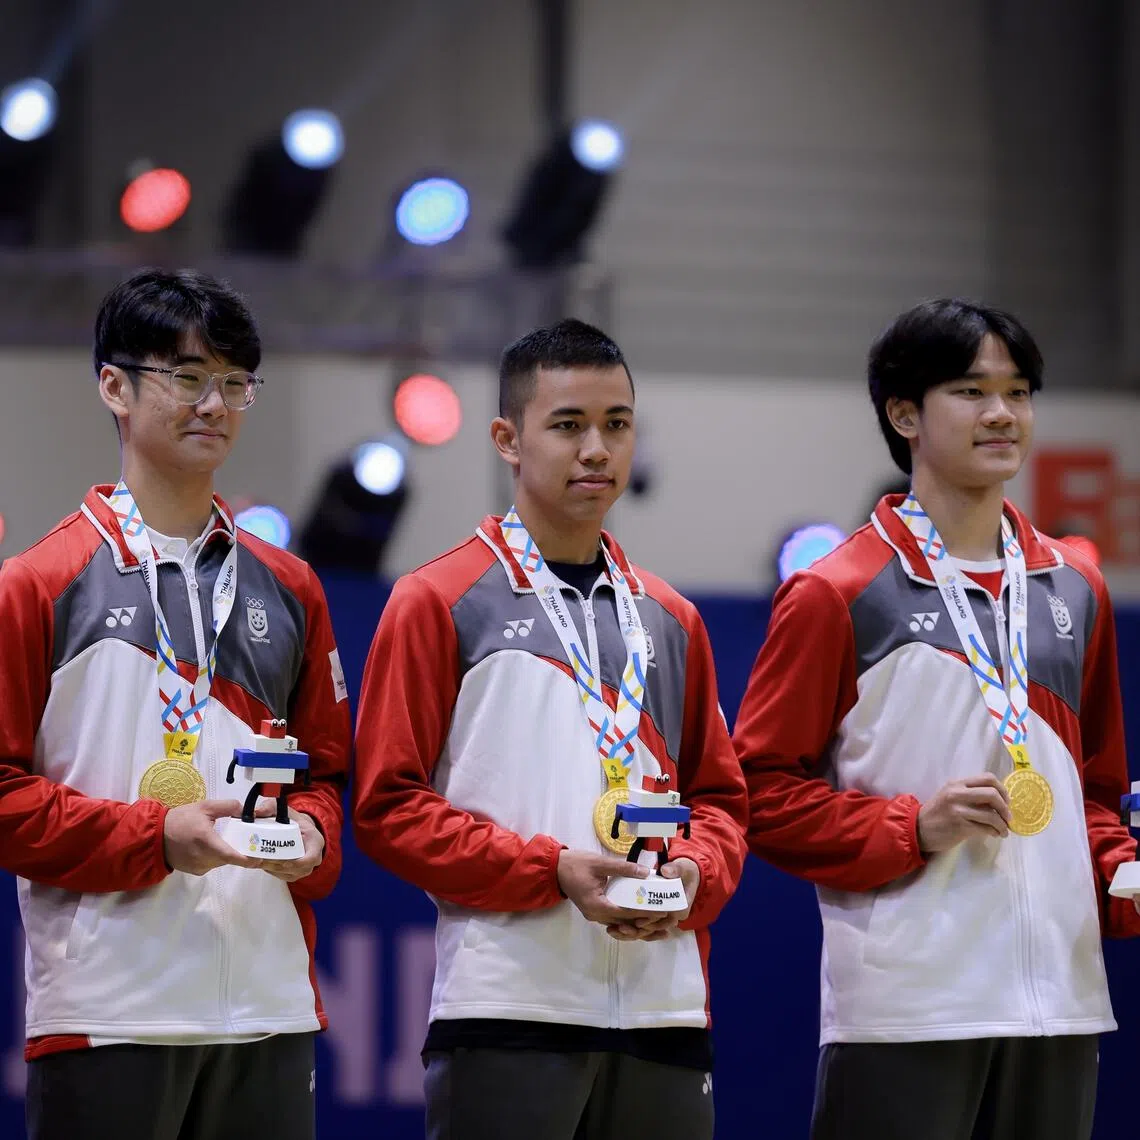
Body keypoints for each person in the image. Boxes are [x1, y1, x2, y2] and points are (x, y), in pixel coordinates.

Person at [734, 298, 1140, 1140]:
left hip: (1061, 1007)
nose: (1002, 413)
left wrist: (1124, 873)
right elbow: (757, 793)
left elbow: (1096, 799)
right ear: (904, 414)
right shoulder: (836, 591)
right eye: (971, 390)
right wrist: (912, 826)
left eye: (1018, 392)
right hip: (907, 1011)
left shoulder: (1075, 588)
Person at [353, 318, 747, 1140]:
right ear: (508, 438)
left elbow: (720, 803)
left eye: (616, 424)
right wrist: (550, 870)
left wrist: (692, 874)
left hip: (666, 1011)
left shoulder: (669, 618)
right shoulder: (437, 601)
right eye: (568, 425)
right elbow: (388, 808)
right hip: (508, 1009)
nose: (596, 450)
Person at [0, 268, 350, 1140]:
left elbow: (325, 777)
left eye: (234, 382)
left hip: (268, 1011)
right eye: (187, 377)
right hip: (107, 1012)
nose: (215, 405)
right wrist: (155, 837)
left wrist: (311, 836)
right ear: (114, 387)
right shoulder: (37, 585)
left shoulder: (292, 588)